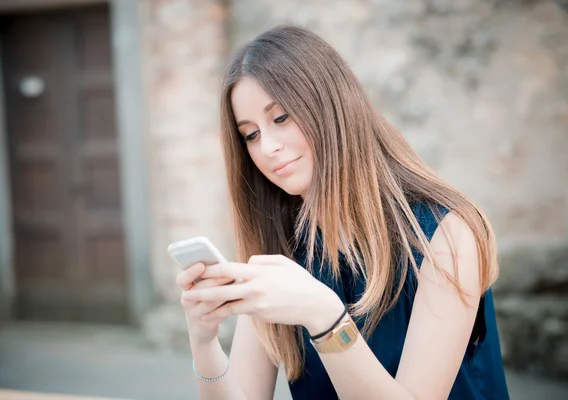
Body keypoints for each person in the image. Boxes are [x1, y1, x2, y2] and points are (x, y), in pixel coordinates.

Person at [177, 25, 510, 400]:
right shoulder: (281, 248)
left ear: (329, 106)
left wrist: (326, 320)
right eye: (250, 135)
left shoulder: (446, 234)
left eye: (281, 118)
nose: (267, 147)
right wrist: (204, 343)